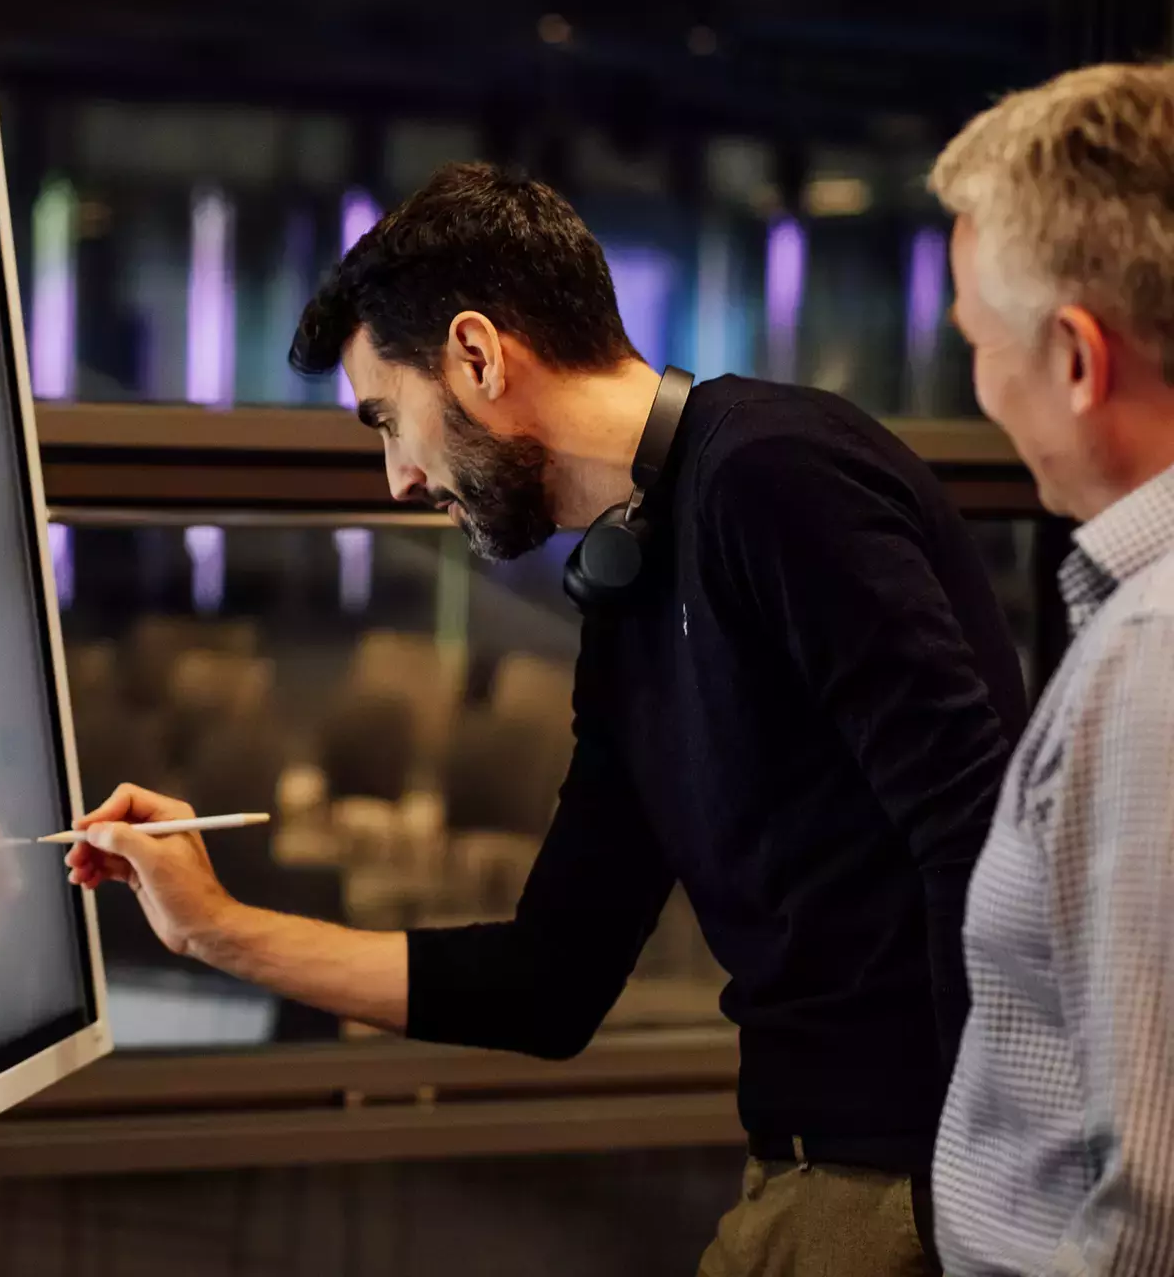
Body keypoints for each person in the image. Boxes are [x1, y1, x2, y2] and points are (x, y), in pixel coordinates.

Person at [67, 162, 1026, 1274]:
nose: (397, 477)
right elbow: (549, 978)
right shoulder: (628, 593)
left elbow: (982, 839)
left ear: (477, 356)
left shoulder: (773, 474)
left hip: (911, 1183)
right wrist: (216, 926)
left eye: (389, 419)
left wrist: (989, 1191)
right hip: (819, 1169)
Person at [928, 63, 1174, 1276]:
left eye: (978, 340)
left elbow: (1153, 1206)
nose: (978, 388)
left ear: (1077, 359)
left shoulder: (1154, 656)